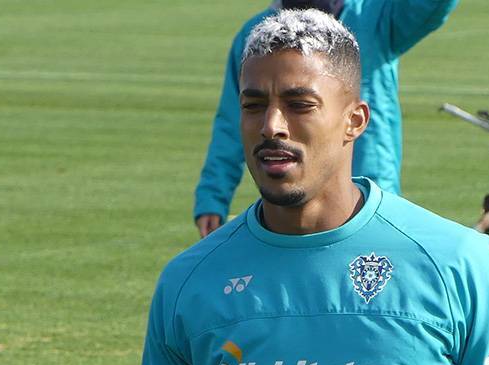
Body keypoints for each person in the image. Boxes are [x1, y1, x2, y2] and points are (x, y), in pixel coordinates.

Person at [131, 9, 489, 365]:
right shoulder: (189, 284)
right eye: (253, 105)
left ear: (355, 120)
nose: (271, 126)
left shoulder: (458, 264)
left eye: (300, 105)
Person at [194, 0, 459, 238]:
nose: (272, 125)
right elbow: (232, 120)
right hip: (293, 209)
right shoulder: (258, 37)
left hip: (372, 195)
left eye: (300, 104)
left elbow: (431, 6)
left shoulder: (372, 18)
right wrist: (212, 196)